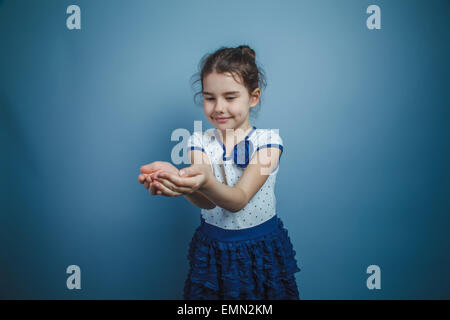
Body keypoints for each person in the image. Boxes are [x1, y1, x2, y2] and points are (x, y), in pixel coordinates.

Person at [137, 45, 301, 299]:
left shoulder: (269, 143)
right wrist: (179, 184)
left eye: (230, 97)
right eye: (210, 97)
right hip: (213, 248)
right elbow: (206, 200)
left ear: (253, 97)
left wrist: (198, 182)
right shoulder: (198, 142)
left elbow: (238, 199)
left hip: (259, 249)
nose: (219, 107)